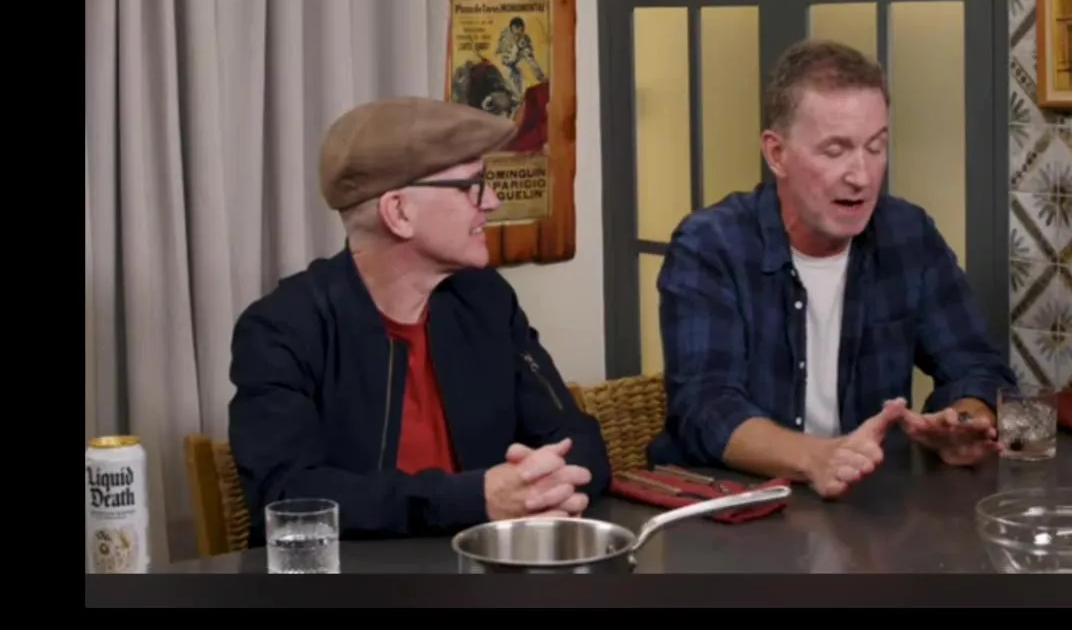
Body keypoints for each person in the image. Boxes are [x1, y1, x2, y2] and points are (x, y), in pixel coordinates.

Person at [228, 97, 612, 544]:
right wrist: (474, 499)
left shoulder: (485, 299)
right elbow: (288, 495)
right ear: (399, 212)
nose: (492, 200)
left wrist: (547, 487)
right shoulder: (281, 329)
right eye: (472, 185)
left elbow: (574, 436)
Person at [647, 40, 1015, 499]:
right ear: (776, 154)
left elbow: (978, 367)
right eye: (835, 150)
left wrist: (964, 422)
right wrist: (816, 458)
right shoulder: (710, 246)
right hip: (728, 509)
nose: (861, 176)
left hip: (865, 510)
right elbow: (705, 408)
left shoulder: (908, 234)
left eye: (875, 147)